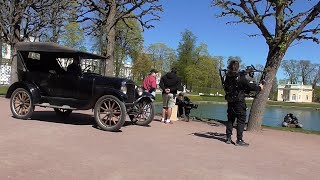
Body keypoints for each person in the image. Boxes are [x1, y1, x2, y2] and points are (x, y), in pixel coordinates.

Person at [224, 60, 263, 146]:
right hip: (239, 102)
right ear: (238, 67)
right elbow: (250, 86)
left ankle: (228, 138)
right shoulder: (240, 78)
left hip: (230, 101)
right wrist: (260, 87)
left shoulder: (228, 76)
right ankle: (239, 140)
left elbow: (236, 75)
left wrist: (245, 72)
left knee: (230, 119)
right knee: (241, 120)